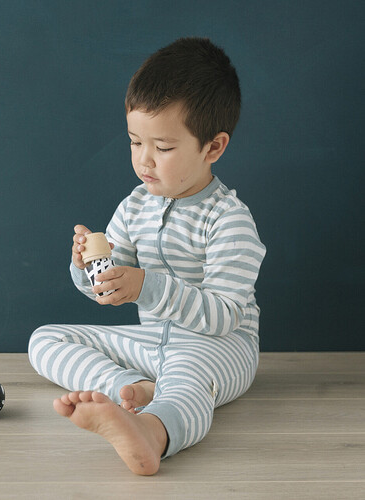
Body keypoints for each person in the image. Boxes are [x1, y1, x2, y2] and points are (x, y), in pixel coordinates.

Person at [28, 37, 266, 476]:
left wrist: (147, 287)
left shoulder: (229, 220)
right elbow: (108, 289)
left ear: (213, 148)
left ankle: (153, 434)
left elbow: (225, 317)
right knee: (45, 340)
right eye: (135, 142)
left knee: (187, 372)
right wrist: (87, 268)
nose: (144, 161)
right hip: (153, 346)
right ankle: (133, 391)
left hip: (221, 348)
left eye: (164, 147)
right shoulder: (135, 206)